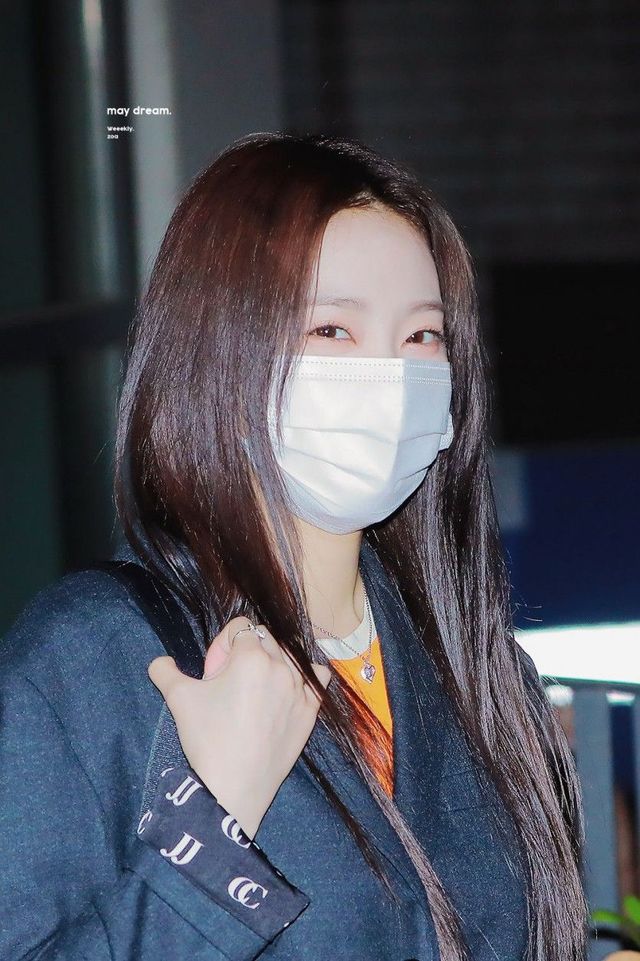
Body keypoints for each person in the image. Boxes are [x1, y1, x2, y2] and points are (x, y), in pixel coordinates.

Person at [0, 132, 589, 961]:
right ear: (221, 351)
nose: (391, 375)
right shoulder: (93, 656)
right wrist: (217, 815)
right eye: (333, 330)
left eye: (423, 337)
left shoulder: (474, 667)